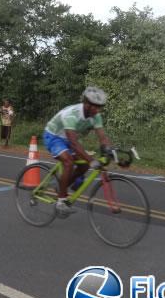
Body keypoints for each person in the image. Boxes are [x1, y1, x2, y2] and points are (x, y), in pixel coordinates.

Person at [42, 86, 112, 217]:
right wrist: (92, 161)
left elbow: (102, 137)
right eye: (95, 106)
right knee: (68, 162)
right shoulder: (72, 113)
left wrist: (109, 150)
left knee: (84, 165)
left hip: (67, 138)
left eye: (100, 107)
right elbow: (74, 143)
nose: (97, 110)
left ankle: (62, 186)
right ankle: (61, 201)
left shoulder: (95, 115)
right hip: (53, 135)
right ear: (86, 103)